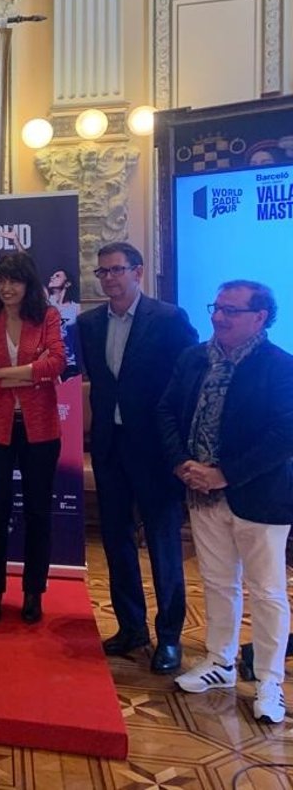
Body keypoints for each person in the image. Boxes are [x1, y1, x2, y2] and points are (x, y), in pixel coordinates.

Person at [159, 280, 293, 725]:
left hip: (259, 496)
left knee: (267, 591)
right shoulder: (194, 358)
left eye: (231, 311)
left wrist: (225, 473)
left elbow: (284, 434)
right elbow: (166, 411)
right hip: (200, 491)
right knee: (217, 583)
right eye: (216, 308)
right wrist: (182, 463)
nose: (218, 317)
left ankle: (270, 680)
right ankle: (220, 661)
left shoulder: (280, 366)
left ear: (260, 317)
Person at [78, 242, 197, 675]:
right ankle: (131, 628)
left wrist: (180, 447)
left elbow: (187, 381)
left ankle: (170, 637)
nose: (109, 278)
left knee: (163, 545)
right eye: (103, 272)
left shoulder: (168, 319)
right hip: (109, 447)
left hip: (154, 450)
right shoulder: (89, 324)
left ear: (138, 272)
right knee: (116, 541)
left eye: (117, 270)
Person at [0, 252, 66, 624]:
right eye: (1, 281)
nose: (7, 288)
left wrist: (0, 373)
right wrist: (27, 375)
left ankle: (33, 592)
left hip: (40, 428)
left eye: (15, 281)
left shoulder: (47, 317)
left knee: (38, 511)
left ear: (28, 284)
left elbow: (56, 364)